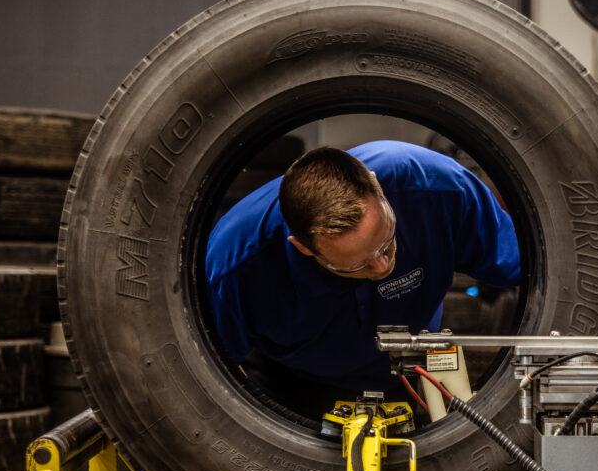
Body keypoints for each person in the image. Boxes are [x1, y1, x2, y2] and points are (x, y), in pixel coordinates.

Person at [205, 140, 520, 416]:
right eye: (357, 266)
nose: (383, 267)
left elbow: (533, 270)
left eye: (386, 242)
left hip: (411, 370)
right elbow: (209, 376)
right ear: (302, 247)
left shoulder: (439, 188)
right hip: (291, 387)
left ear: (376, 186)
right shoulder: (236, 266)